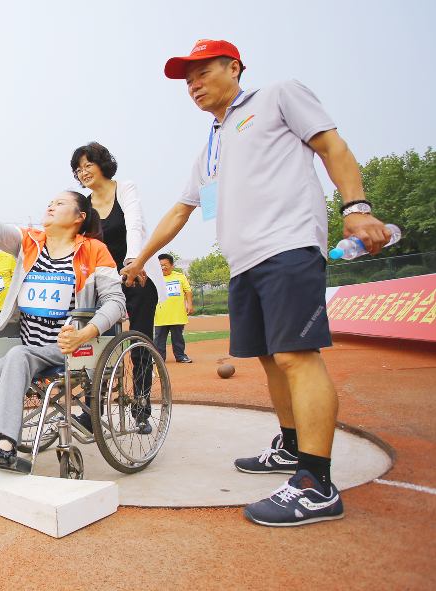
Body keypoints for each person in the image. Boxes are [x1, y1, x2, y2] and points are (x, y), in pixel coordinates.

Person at [120, 40, 392, 526]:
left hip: (288, 245)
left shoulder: (277, 97)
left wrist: (356, 207)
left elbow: (332, 145)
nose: (194, 86)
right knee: (270, 359)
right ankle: (291, 446)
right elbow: (181, 210)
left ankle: (316, 484)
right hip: (242, 264)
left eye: (202, 73)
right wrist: (140, 260)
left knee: (295, 356)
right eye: (187, 81)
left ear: (234, 68)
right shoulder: (210, 147)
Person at [0, 177, 126, 469]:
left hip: (69, 346)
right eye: (50, 202)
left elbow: (115, 301)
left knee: (17, 356)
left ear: (79, 217)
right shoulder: (29, 242)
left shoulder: (94, 250)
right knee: (2, 365)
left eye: (60, 203)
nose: (51, 206)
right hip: (28, 344)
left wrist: (85, 333)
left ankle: (5, 445)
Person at [69, 142, 166, 434]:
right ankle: (92, 411)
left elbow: (135, 225)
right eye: (78, 169)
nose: (83, 172)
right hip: (105, 285)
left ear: (102, 164)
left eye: (88, 165)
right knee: (96, 344)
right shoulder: (84, 206)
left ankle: (141, 410)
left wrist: (133, 261)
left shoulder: (124, 189)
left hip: (137, 277)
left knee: (139, 345)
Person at [153, 254, 194, 363]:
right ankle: (159, 358)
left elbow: (188, 291)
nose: (163, 267)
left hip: (177, 314)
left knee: (178, 338)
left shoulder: (180, 276)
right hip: (160, 315)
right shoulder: (155, 278)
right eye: (160, 265)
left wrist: (189, 304)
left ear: (172, 265)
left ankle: (180, 356)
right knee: (159, 339)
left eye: (165, 265)